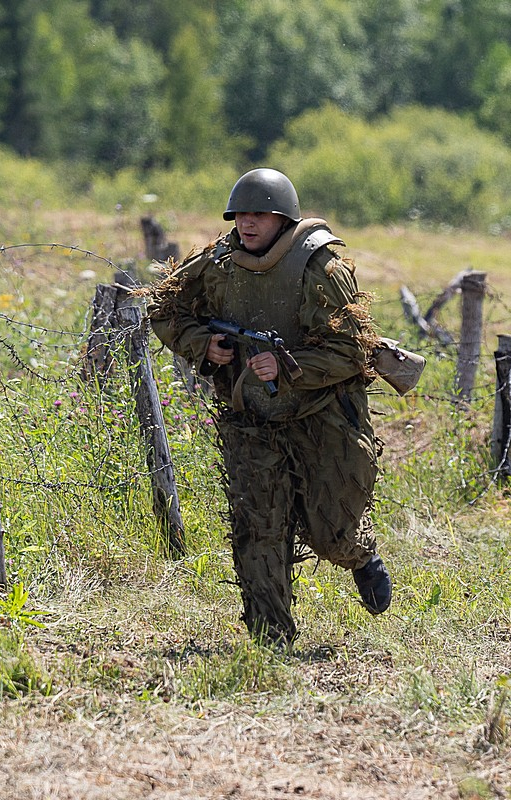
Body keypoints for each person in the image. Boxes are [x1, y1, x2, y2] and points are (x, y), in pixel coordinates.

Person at [146, 167, 391, 647]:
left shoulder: (321, 268)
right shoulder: (218, 263)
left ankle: (360, 555)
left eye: (260, 214)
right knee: (258, 528)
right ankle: (270, 640)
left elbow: (354, 350)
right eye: (240, 214)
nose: (248, 223)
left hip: (324, 417)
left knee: (330, 532)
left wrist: (289, 366)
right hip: (250, 419)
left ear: (283, 218)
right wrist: (202, 344)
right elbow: (163, 306)